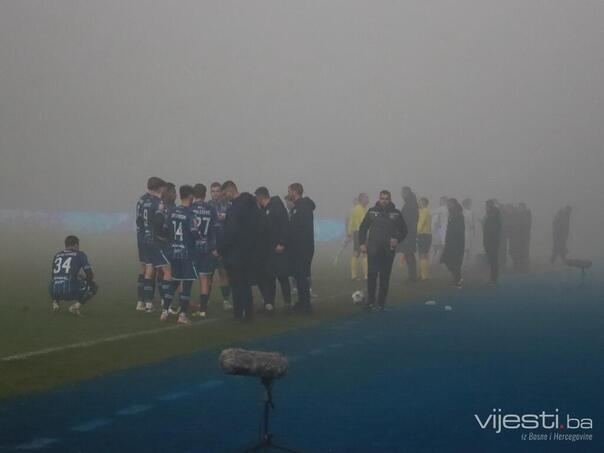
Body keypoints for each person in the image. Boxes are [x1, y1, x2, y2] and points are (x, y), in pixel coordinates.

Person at [217, 181, 262, 322]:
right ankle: (248, 314)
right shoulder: (252, 205)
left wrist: (220, 248)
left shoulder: (234, 208)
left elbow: (231, 232)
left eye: (224, 194)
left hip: (235, 253)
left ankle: (238, 314)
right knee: (246, 285)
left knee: (237, 285)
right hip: (250, 251)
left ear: (231, 190)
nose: (224, 197)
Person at [359, 190, 407, 311]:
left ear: (390, 200)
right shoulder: (372, 212)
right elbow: (363, 228)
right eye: (382, 198)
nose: (384, 201)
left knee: (385, 277)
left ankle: (381, 303)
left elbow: (404, 230)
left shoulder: (396, 213)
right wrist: (362, 243)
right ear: (379, 199)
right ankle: (370, 302)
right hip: (373, 249)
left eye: (386, 199)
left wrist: (397, 239)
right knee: (372, 275)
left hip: (388, 250)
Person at [136, 177, 171, 313]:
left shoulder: (142, 200)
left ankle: (144, 302)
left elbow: (139, 220)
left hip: (143, 238)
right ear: (160, 188)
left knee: (147, 268)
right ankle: (163, 304)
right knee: (165, 269)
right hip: (155, 240)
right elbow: (159, 222)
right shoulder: (158, 202)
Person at [255, 187, 292, 312]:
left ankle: (287, 303)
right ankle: (270, 303)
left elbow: (285, 225)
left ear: (261, 197)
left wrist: (282, 243)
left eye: (257, 198)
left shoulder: (276, 206)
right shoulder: (263, 210)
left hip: (278, 249)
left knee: (282, 276)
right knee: (269, 277)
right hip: (268, 250)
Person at [50, 235, 98, 315]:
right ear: (76, 245)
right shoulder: (80, 254)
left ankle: (55, 303)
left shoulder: (57, 255)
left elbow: (53, 275)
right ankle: (75, 307)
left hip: (53, 291)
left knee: (57, 281)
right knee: (93, 286)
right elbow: (90, 275)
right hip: (70, 291)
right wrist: (85, 281)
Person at [287, 183, 316, 314]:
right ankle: (302, 301)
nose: (288, 194)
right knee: (298, 276)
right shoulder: (297, 207)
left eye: (289, 191)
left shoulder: (303, 206)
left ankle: (306, 305)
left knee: (302, 276)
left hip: (303, 247)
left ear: (295, 191)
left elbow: (303, 229)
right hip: (298, 247)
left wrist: (299, 245)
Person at [190, 183, 217, 318]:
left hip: (192, 248)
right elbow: (215, 230)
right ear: (205, 194)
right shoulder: (211, 209)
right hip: (207, 247)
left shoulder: (190, 208)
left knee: (186, 278)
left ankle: (185, 306)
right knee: (204, 279)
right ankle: (203, 309)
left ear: (193, 194)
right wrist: (215, 247)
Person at [208, 182, 233, 310]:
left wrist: (226, 218)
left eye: (217, 191)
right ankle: (205, 300)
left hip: (224, 246)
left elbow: (234, 223)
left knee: (224, 273)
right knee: (208, 274)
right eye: (213, 191)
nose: (215, 194)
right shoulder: (207, 206)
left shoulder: (228, 205)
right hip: (210, 246)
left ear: (221, 192)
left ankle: (226, 300)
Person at [441, 198, 465, 288]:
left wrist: (455, 240)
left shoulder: (458, 214)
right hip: (450, 241)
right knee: (447, 259)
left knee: (455, 261)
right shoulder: (451, 214)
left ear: (453, 204)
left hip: (456, 242)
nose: (448, 206)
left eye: (449, 204)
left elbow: (459, 229)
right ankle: (457, 277)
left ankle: (457, 279)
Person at [347, 193, 369, 281]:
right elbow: (353, 220)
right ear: (362, 199)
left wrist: (350, 232)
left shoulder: (362, 208)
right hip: (360, 233)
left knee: (357, 253)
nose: (368, 199)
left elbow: (352, 220)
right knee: (363, 253)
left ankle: (354, 275)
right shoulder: (358, 208)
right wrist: (349, 232)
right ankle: (366, 275)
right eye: (366, 198)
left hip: (359, 233)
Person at [399, 186, 419, 282]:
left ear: (407, 193)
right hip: (408, 232)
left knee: (409, 254)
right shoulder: (410, 203)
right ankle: (412, 275)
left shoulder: (411, 204)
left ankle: (412, 276)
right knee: (408, 254)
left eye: (403, 192)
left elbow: (410, 219)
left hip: (409, 232)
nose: (402, 195)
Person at [483, 199, 502, 284]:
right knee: (491, 261)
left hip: (492, 242)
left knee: (493, 260)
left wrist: (489, 242)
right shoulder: (490, 217)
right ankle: (492, 278)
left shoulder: (494, 218)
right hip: (490, 242)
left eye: (487, 206)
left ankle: (493, 279)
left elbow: (493, 231)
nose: (486, 208)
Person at [416, 197, 432, 281]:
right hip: (428, 235)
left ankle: (424, 276)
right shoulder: (427, 211)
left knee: (422, 254)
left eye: (419, 202)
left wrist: (416, 232)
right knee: (424, 254)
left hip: (423, 235)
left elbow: (421, 223)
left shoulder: (424, 211)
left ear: (423, 202)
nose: (418, 203)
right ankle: (423, 273)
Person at [431, 196, 448, 263]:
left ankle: (435, 261)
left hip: (441, 229)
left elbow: (431, 213)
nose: (440, 202)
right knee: (441, 246)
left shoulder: (442, 208)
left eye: (441, 200)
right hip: (443, 229)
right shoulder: (447, 209)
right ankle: (438, 260)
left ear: (444, 201)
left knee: (437, 246)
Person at [517, 202, 532, 272]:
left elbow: (527, 225)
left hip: (525, 236)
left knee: (525, 252)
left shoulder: (527, 214)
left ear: (524, 208)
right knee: (520, 251)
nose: (520, 209)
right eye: (519, 208)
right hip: (520, 237)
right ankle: (521, 267)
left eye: (521, 207)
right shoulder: (520, 215)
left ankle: (526, 267)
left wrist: (519, 228)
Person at [462, 198, 476, 263]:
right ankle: (464, 263)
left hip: (464, 232)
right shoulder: (469, 212)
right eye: (469, 203)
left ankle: (464, 263)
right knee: (466, 249)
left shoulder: (461, 211)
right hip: (466, 232)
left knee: (465, 248)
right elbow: (472, 224)